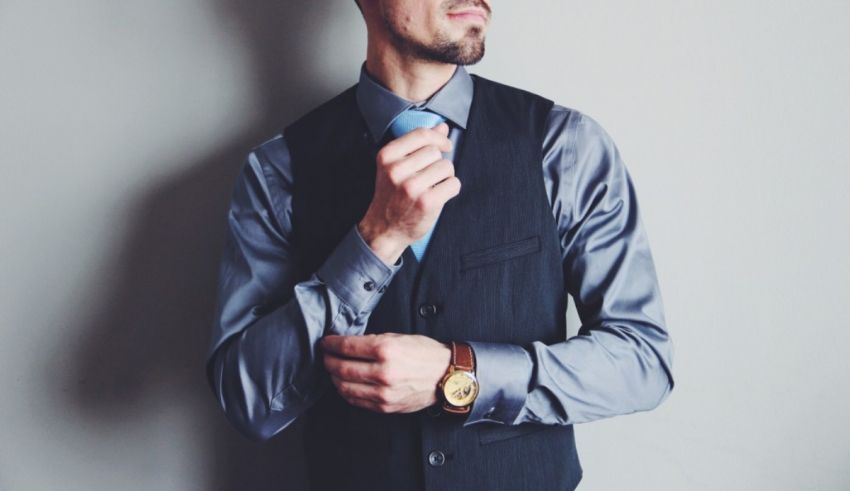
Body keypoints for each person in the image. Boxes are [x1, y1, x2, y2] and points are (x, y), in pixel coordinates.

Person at [205, 1, 675, 490]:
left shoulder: (565, 148)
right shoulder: (278, 171)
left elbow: (643, 362)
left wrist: (459, 376)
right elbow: (250, 404)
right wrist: (375, 240)